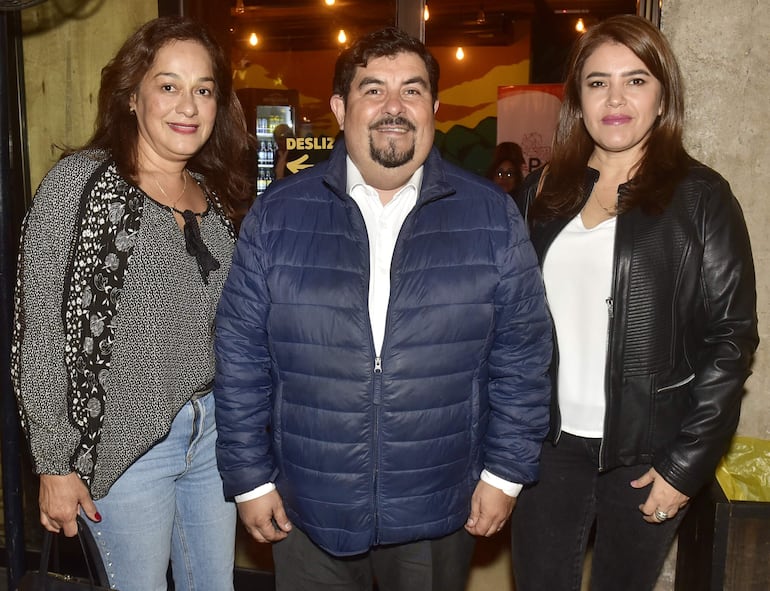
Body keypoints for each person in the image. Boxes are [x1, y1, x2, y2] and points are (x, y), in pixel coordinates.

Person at [214, 26, 552, 591]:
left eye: (412, 91)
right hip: (305, 508)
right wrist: (250, 481)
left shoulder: (492, 218)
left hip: (441, 506)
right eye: (374, 90)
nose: (394, 107)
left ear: (435, 108)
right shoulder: (277, 217)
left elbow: (523, 356)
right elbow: (241, 358)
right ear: (341, 108)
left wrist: (506, 474)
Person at [510, 15, 758, 591]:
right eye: (597, 82)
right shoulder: (541, 194)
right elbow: (508, 327)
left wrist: (683, 466)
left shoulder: (701, 197)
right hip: (545, 451)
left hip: (648, 456)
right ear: (577, 97)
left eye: (636, 80)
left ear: (662, 94)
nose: (615, 98)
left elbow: (731, 340)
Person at [11, 16, 254, 591]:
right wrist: (53, 463)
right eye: (168, 85)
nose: (188, 105)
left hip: (212, 436)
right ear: (131, 96)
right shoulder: (83, 184)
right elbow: (38, 330)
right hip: (126, 451)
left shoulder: (214, 196)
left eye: (203, 90)